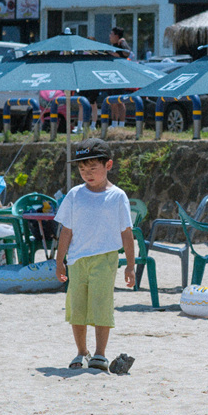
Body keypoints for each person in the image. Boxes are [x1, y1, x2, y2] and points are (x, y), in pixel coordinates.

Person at [55, 136, 134, 371]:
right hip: (77, 260)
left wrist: (130, 266)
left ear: (108, 165)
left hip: (105, 259)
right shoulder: (74, 195)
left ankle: (100, 353)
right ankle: (82, 351)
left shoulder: (117, 196)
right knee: (77, 308)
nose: (87, 174)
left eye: (92, 168)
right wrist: (59, 261)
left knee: (101, 305)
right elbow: (66, 231)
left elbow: (126, 232)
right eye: (82, 169)